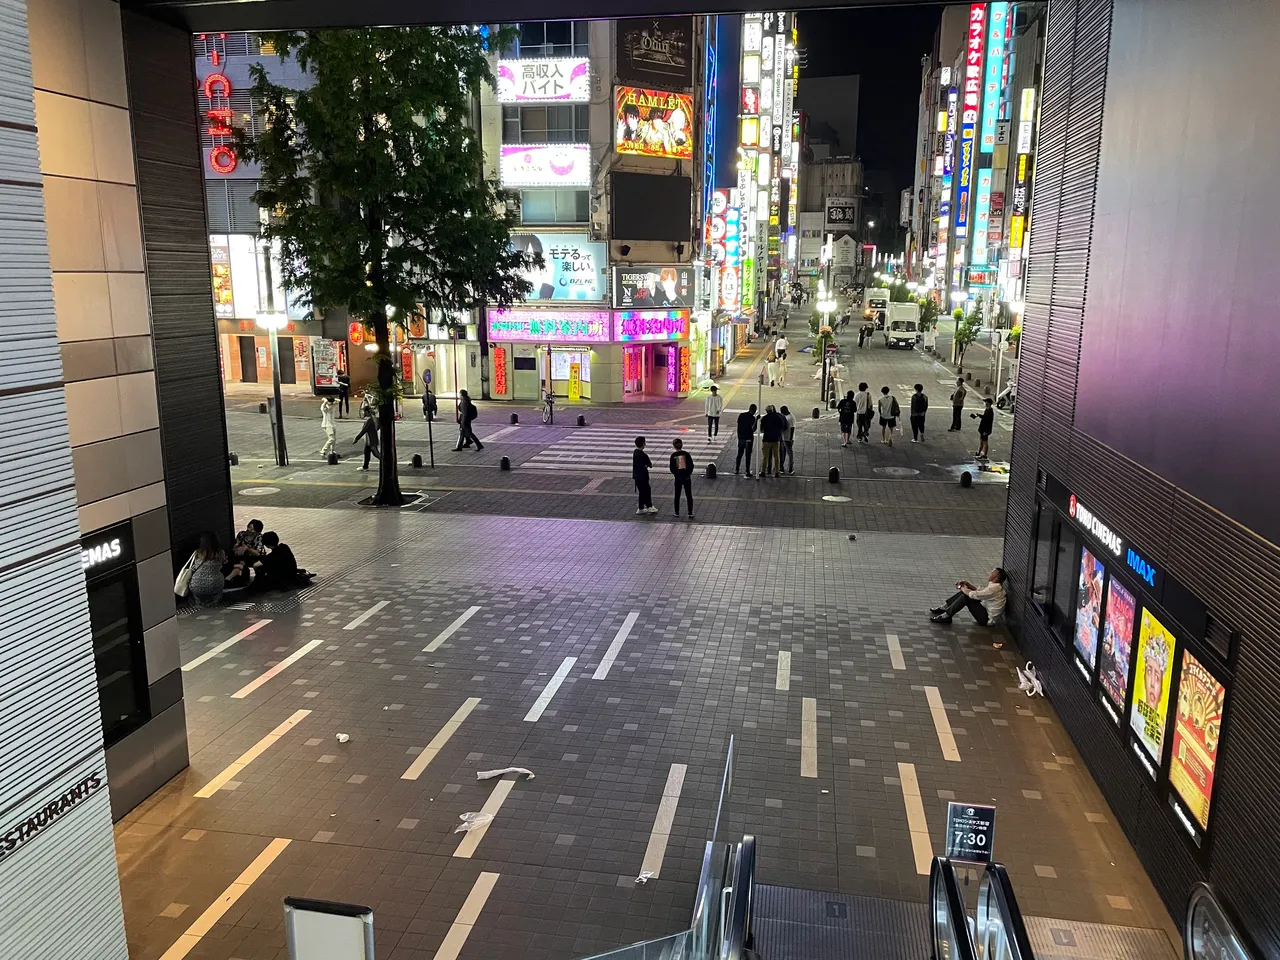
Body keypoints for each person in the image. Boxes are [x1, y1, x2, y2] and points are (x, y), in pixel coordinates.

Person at [931, 568, 1007, 625]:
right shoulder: (995, 587)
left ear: (996, 579)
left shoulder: (994, 589)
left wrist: (961, 587)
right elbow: (980, 592)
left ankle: (947, 615)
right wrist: (968, 585)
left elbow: (972, 594)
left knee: (966, 596)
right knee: (965, 593)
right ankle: (945, 608)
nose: (989, 574)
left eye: (992, 573)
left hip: (986, 619)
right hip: (985, 611)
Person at [186, 531, 227, 607]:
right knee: (220, 576)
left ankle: (198, 601)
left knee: (194, 590)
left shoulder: (197, 553)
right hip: (215, 584)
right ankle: (214, 601)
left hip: (196, 585)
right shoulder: (220, 553)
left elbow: (193, 568)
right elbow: (225, 562)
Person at [669, 438, 695, 519]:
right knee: (689, 495)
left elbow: (672, 468)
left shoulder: (673, 456)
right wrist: (688, 474)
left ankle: (677, 512)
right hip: (686, 477)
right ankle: (690, 512)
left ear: (674, 446)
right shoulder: (686, 454)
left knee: (677, 495)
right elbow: (691, 465)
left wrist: (676, 474)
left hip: (678, 478)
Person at [760, 404, 786, 477]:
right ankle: (777, 472)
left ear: (767, 411)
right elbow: (782, 427)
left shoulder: (764, 418)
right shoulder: (779, 417)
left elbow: (762, 430)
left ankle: (763, 472)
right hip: (776, 440)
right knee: (776, 456)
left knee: (765, 457)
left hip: (767, 440)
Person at [633, 436, 656, 515]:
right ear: (643, 444)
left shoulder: (635, 452)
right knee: (646, 490)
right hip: (643, 477)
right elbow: (650, 465)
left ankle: (641, 508)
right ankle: (649, 507)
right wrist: (646, 465)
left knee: (642, 492)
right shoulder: (644, 455)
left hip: (637, 476)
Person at [735, 404, 758, 476]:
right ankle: (747, 471)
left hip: (741, 438)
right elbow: (753, 429)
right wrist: (757, 420)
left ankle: (737, 469)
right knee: (748, 455)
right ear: (754, 411)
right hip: (749, 438)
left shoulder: (741, 415)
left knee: (739, 454)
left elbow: (738, 426)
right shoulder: (753, 418)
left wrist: (739, 436)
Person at [780, 405, 796, 475]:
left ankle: (790, 468)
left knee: (789, 453)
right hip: (784, 438)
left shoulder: (790, 418)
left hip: (788, 439)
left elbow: (792, 428)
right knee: (783, 453)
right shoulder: (788, 416)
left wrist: (790, 438)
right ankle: (782, 467)